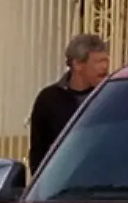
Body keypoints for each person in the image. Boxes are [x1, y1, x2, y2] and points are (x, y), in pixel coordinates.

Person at [28, 34, 110, 169]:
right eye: (98, 62)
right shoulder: (49, 100)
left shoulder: (108, 96)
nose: (105, 67)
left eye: (106, 61)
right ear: (77, 64)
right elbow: (38, 151)